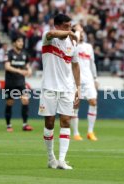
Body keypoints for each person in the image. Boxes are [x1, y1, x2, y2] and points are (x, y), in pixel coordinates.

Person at [38, 14, 80, 170]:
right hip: (49, 87)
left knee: (66, 121)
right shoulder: (48, 38)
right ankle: (51, 158)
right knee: (49, 123)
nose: (70, 29)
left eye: (70, 26)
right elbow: (52, 33)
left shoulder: (72, 44)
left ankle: (62, 160)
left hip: (67, 88)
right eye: (66, 26)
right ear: (58, 26)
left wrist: (78, 87)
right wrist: (69, 33)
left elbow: (75, 65)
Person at [71, 25, 99, 141]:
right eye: (78, 31)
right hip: (75, 79)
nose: (81, 34)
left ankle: (90, 132)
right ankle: (76, 133)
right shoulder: (72, 45)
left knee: (93, 102)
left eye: (82, 31)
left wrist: (95, 78)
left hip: (88, 80)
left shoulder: (89, 47)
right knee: (76, 105)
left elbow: (92, 63)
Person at [4, 36, 33, 132]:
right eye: (19, 41)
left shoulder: (25, 54)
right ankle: (8, 125)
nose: (21, 43)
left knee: (25, 101)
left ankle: (25, 124)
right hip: (10, 82)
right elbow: (7, 67)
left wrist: (29, 70)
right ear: (14, 43)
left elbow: (27, 65)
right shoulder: (9, 53)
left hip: (21, 82)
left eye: (22, 41)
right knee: (10, 103)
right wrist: (20, 71)